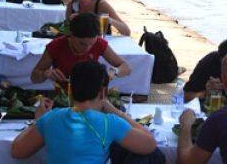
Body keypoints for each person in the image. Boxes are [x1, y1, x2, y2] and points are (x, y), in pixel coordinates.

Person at [12, 61, 163, 164]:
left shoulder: (51, 118)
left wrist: (39, 121)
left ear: (71, 90)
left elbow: (17, 151)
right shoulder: (108, 122)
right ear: (103, 92)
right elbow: (149, 144)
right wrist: (115, 110)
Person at [30, 12, 131, 88]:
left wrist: (114, 71)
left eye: (91, 44)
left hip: (91, 96)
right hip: (64, 96)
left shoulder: (99, 43)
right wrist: (46, 73)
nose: (87, 48)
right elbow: (34, 77)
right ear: (71, 35)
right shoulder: (56, 46)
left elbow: (126, 67)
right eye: (82, 44)